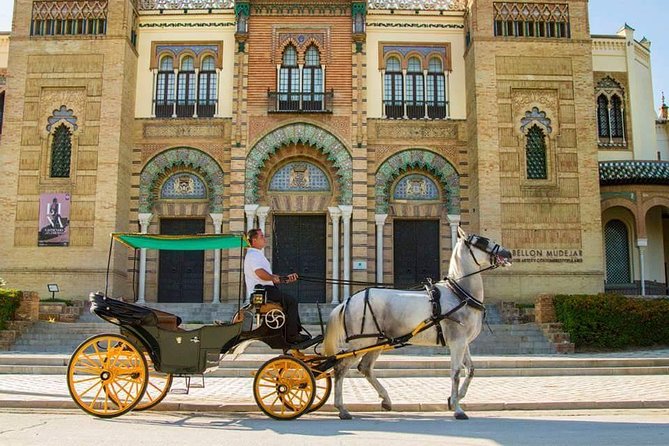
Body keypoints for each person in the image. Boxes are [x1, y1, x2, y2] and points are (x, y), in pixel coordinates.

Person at [244, 228, 310, 344]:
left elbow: (268, 277)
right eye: (261, 237)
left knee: (288, 302)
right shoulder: (253, 255)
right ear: (254, 240)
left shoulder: (256, 254)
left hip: (266, 289)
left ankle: (290, 333)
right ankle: (292, 335)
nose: (264, 239)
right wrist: (273, 278)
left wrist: (285, 279)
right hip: (263, 292)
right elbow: (260, 273)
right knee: (291, 301)